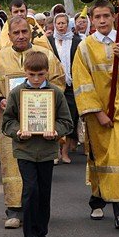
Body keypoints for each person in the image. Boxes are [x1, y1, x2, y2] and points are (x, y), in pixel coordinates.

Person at [0, 15, 65, 229]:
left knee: (37, 169)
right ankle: (14, 210)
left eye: (24, 32)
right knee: (11, 166)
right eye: (16, 33)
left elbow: (59, 82)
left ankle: (38, 211)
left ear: (31, 33)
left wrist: (47, 100)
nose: (20, 36)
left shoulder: (45, 55)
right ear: (8, 36)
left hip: (41, 122)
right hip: (11, 124)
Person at [72, 0, 119, 230]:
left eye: (106, 16)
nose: (102, 21)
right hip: (98, 112)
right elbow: (82, 83)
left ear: (114, 16)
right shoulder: (84, 47)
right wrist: (97, 113)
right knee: (100, 156)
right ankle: (97, 198)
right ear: (92, 20)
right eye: (98, 17)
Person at [1, 51, 72, 237]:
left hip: (47, 152)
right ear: (26, 73)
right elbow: (8, 122)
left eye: (40, 75)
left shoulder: (56, 94)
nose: (35, 79)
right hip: (25, 150)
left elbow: (66, 121)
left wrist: (56, 131)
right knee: (30, 191)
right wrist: (19, 132)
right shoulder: (17, 93)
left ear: (47, 73)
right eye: (32, 75)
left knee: (43, 193)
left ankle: (42, 236)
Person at [47, 11, 81, 164]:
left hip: (71, 86)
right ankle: (55, 152)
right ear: (54, 25)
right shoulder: (48, 41)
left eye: (63, 23)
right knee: (52, 118)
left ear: (68, 25)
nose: (61, 26)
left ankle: (65, 152)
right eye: (58, 23)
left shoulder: (76, 41)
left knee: (69, 118)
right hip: (53, 86)